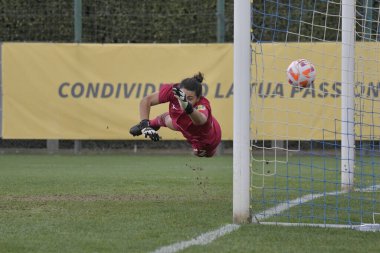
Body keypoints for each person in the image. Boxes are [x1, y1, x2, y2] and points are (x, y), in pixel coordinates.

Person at [129, 72, 222, 157]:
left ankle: (153, 123)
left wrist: (187, 106)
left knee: (201, 154)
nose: (185, 99)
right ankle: (151, 124)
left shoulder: (202, 105)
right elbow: (146, 100)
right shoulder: (174, 91)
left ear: (198, 98)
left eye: (190, 98)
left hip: (207, 139)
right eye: (183, 96)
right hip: (180, 125)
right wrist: (145, 124)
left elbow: (200, 120)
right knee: (168, 120)